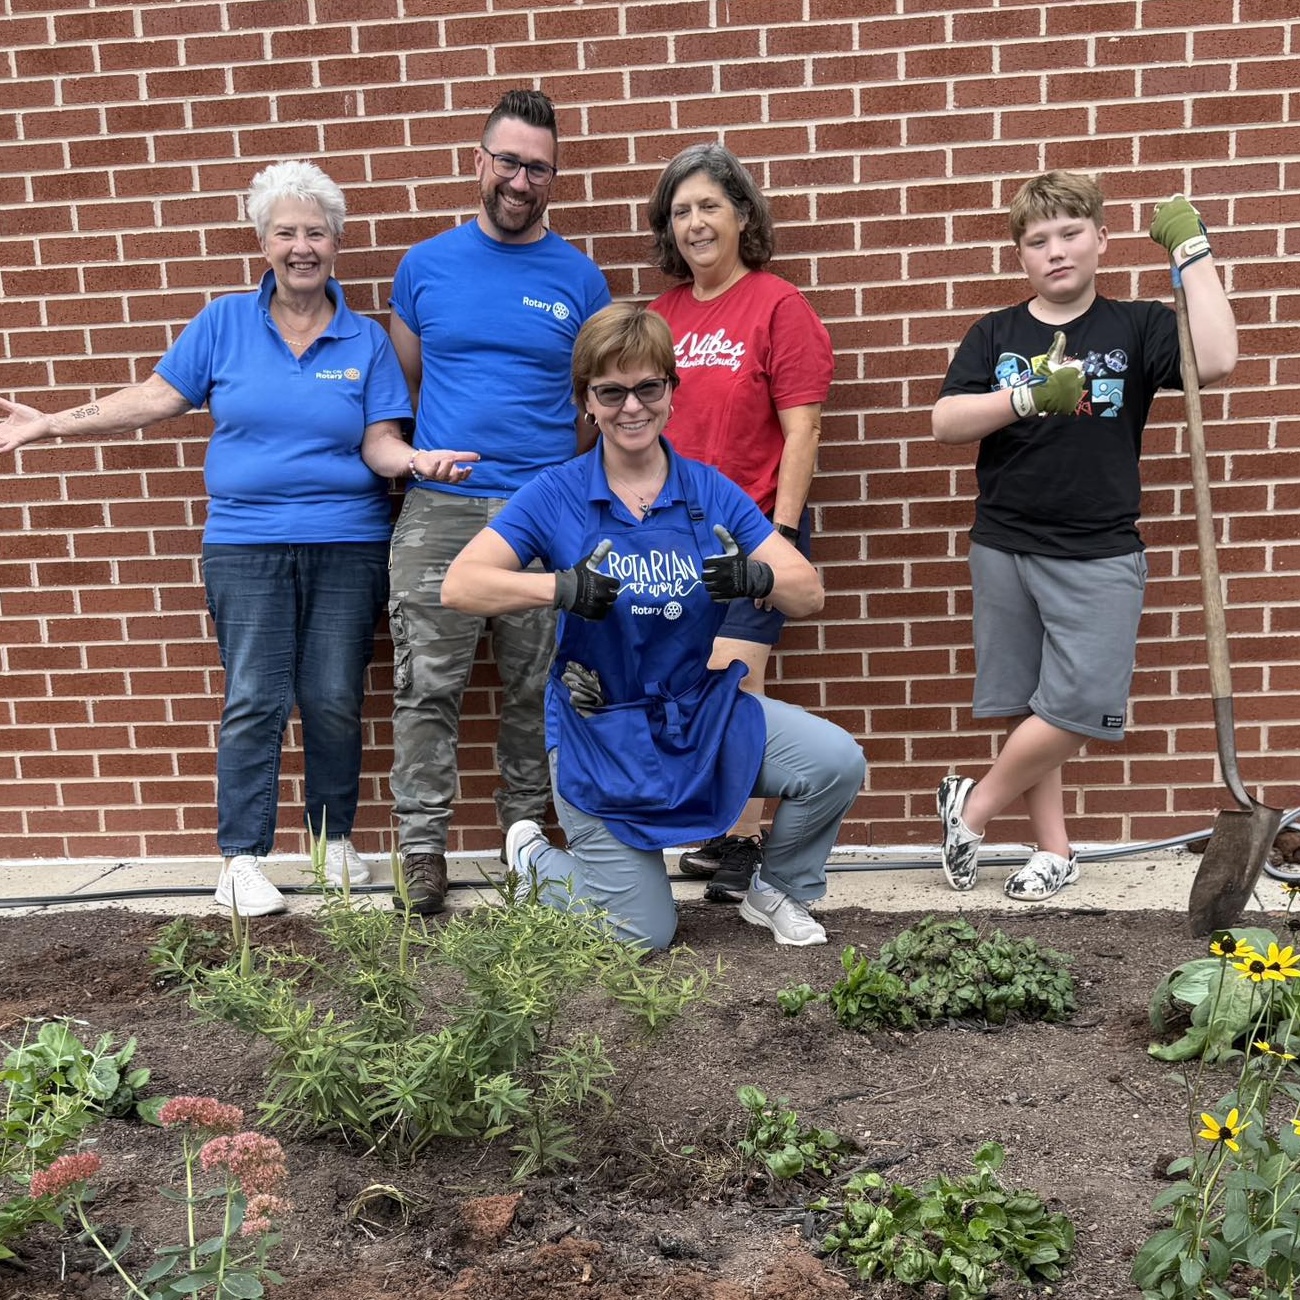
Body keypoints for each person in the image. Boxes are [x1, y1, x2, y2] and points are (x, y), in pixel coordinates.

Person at [0, 160, 477, 916]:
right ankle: (242, 858)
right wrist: (53, 422)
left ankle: (332, 844)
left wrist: (417, 461)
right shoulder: (222, 323)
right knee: (254, 697)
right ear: (263, 241)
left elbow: (380, 442)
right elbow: (155, 398)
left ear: (335, 243)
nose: (301, 246)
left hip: (347, 545)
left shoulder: (365, 339)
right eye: (285, 231)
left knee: (331, 699)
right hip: (245, 545)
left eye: (315, 231)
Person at [441, 303, 865, 950]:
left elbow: (807, 593)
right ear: (586, 400)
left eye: (648, 388)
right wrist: (559, 587)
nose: (631, 407)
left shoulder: (710, 492)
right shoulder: (556, 493)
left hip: (696, 712)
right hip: (599, 730)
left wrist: (757, 579)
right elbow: (460, 585)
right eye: (611, 391)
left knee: (835, 762)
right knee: (642, 933)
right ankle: (536, 864)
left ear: (672, 392)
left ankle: (778, 889)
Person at [931, 171, 1237, 901]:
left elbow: (1219, 358)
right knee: (1030, 702)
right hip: (1004, 541)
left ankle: (971, 810)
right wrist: (1028, 394)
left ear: (1101, 239)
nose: (1056, 251)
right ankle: (1054, 851)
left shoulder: (1136, 327)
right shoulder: (997, 333)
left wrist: (1192, 253)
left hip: (1100, 547)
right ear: (1021, 256)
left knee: (1076, 708)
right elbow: (945, 423)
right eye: (1038, 241)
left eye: (1070, 233)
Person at [386, 88, 611, 917]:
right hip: (441, 510)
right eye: (509, 161)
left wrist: (551, 483)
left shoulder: (580, 278)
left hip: (541, 513)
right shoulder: (426, 267)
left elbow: (592, 405)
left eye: (539, 167)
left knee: (535, 685)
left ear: (555, 177)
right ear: (479, 161)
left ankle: (524, 841)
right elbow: (407, 385)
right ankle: (421, 853)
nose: (522, 180)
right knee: (426, 687)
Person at [646, 142, 834, 903]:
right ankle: (719, 829)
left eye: (709, 207)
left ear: (743, 216)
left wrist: (780, 539)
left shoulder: (778, 306)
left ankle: (744, 839)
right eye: (681, 211)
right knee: (685, 682)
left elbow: (803, 431)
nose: (695, 223)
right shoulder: (659, 315)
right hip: (666, 540)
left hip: (751, 529)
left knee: (734, 677)